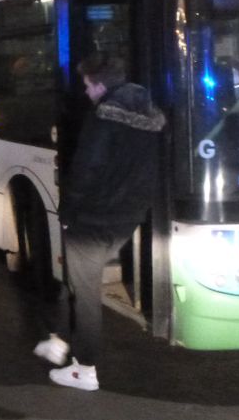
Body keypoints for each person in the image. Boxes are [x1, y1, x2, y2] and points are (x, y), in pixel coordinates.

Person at [33, 52, 164, 391]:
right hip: (126, 217)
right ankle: (59, 340)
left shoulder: (103, 118)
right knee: (76, 278)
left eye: (88, 86)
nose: (87, 93)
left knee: (86, 291)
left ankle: (85, 367)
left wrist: (69, 214)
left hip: (93, 219)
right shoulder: (149, 115)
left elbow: (85, 171)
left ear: (101, 84)